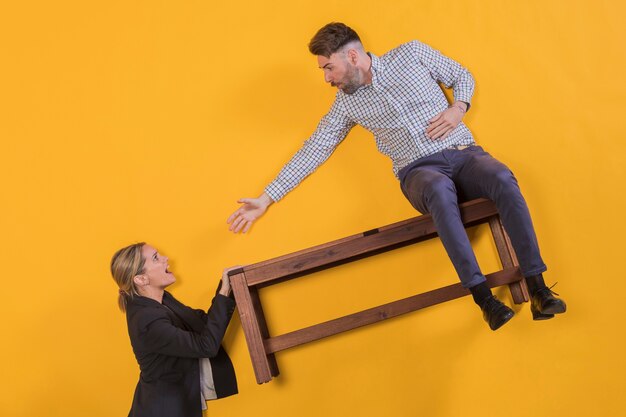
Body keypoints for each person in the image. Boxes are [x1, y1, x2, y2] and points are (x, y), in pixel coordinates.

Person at [227, 22, 567, 331]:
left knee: (503, 178)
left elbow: (461, 75)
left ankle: (538, 289)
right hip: (418, 172)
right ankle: (483, 299)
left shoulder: (413, 54)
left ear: (353, 56)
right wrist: (266, 198)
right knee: (436, 188)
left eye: (328, 67)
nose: (327, 78)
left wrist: (457, 108)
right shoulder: (346, 105)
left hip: (464, 154)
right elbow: (315, 148)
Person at [110, 242, 237, 417]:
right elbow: (206, 345)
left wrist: (229, 288)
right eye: (156, 258)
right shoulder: (146, 321)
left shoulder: (163, 301)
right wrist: (225, 290)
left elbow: (204, 325)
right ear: (141, 279)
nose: (165, 259)